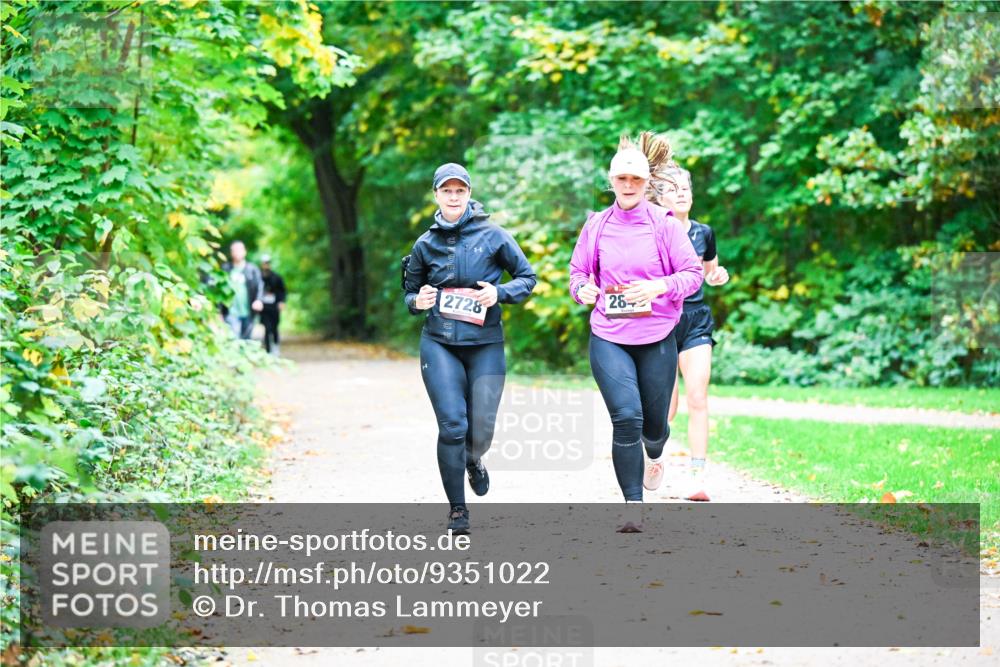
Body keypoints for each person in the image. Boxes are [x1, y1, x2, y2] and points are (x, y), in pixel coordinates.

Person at [569, 138, 703, 532]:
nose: (628, 185)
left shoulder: (663, 225)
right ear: (612, 181)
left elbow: (692, 274)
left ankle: (656, 452)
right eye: (622, 178)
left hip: (658, 334)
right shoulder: (596, 225)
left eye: (636, 179)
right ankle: (633, 505)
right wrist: (584, 290)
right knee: (626, 417)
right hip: (609, 335)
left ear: (647, 183)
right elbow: (577, 274)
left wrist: (659, 287)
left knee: (654, 427)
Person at [402, 163, 537, 534]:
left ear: (469, 194)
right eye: (447, 191)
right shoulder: (424, 244)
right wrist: (419, 300)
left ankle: (474, 459)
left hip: (485, 344)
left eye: (460, 190)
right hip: (440, 343)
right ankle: (457, 510)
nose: (453, 196)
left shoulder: (494, 235)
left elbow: (528, 278)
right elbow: (409, 293)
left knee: (481, 429)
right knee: (452, 425)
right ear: (436, 195)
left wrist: (500, 293)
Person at [654, 165, 729, 501]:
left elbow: (710, 271)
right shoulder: (654, 232)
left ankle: (697, 478)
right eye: (672, 188)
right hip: (662, 321)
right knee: (665, 408)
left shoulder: (704, 232)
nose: (682, 192)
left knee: (698, 396)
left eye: (685, 187)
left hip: (696, 319)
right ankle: (652, 462)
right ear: (658, 197)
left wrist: (717, 276)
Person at [221, 241, 263, 340]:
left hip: (248, 311)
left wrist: (258, 300)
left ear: (244, 252)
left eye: (239, 250)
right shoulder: (225, 269)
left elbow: (260, 286)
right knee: (234, 338)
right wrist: (219, 310)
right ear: (231, 253)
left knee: (246, 340)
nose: (237, 253)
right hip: (230, 311)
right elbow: (219, 289)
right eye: (234, 250)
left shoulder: (252, 269)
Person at [259, 254, 287, 356]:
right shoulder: (259, 277)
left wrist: (282, 302)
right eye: (264, 263)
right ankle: (268, 349)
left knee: (275, 327)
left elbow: (282, 291)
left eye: (267, 263)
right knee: (267, 328)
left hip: (274, 307)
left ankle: (275, 346)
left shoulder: (277, 277)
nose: (266, 265)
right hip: (264, 308)